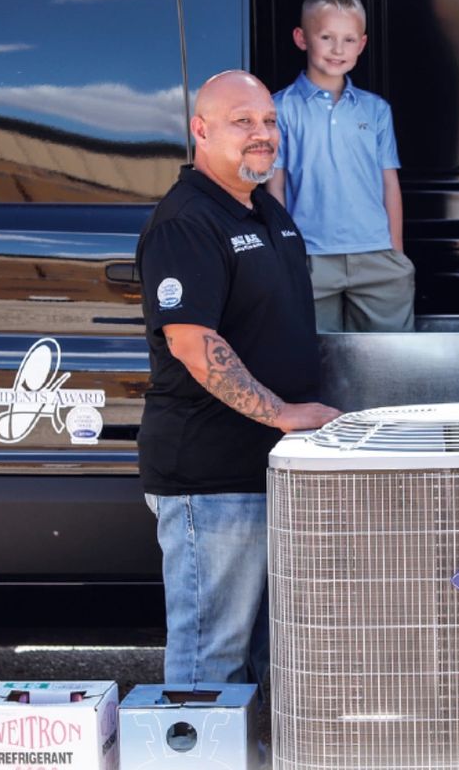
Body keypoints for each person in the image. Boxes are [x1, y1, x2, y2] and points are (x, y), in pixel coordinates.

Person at [136, 70, 341, 685]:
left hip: (264, 473)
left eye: (270, 122)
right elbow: (194, 343)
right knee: (211, 666)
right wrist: (283, 415)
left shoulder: (265, 211)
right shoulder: (187, 222)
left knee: (265, 665)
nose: (263, 134)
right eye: (243, 122)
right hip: (211, 479)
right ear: (200, 131)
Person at [266, 0, 413, 332]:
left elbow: (389, 184)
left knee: (389, 367)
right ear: (302, 39)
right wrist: (287, 256)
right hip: (311, 257)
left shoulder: (376, 110)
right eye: (327, 37)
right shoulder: (279, 108)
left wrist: (396, 252)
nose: (337, 49)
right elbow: (276, 188)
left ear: (361, 44)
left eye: (349, 40)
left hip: (377, 256)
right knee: (315, 366)